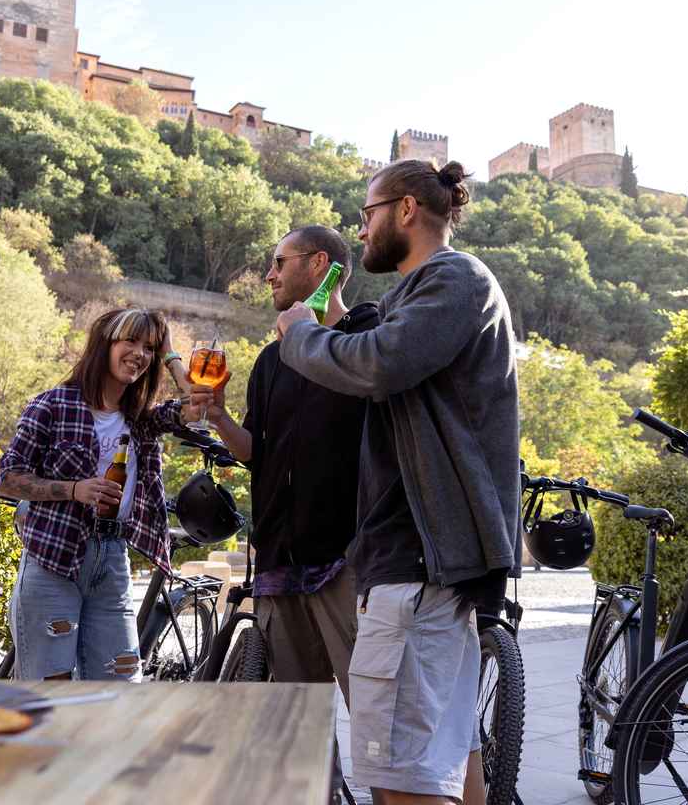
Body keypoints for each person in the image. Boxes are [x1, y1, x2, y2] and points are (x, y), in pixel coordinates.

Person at [275, 159, 521, 805]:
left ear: (406, 209)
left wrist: (298, 336)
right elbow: (377, 349)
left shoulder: (454, 278)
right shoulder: (418, 294)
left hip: (418, 561)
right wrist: (330, 326)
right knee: (448, 762)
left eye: (368, 215)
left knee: (401, 781)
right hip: (419, 563)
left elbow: (379, 365)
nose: (360, 233)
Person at [190, 225, 378, 785]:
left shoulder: (367, 338)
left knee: (377, 717)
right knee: (300, 721)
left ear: (319, 264)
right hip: (279, 563)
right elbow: (258, 455)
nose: (268, 274)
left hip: (348, 559)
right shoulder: (271, 361)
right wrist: (220, 417)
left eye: (279, 262)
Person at [0, 308, 196, 680]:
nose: (140, 353)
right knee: (51, 690)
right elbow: (7, 478)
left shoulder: (141, 417)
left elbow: (198, 405)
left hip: (112, 561)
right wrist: (75, 490)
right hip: (53, 560)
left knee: (119, 686)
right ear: (105, 344)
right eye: (130, 341)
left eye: (149, 347)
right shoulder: (52, 405)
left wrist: (170, 354)